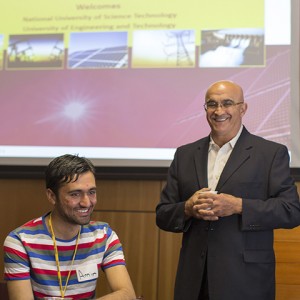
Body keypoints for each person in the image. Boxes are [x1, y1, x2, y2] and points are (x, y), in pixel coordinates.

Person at [156, 80, 300, 300]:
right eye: (212, 104)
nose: (219, 111)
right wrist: (187, 208)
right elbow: (163, 215)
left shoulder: (270, 154)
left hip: (245, 281)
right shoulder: (185, 154)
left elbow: (291, 210)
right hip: (194, 281)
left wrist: (238, 206)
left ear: (243, 108)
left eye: (227, 103)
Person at [3, 154, 136, 300]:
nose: (86, 203)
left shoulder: (104, 236)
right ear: (52, 196)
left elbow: (127, 294)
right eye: (75, 194)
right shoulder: (20, 241)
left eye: (91, 192)